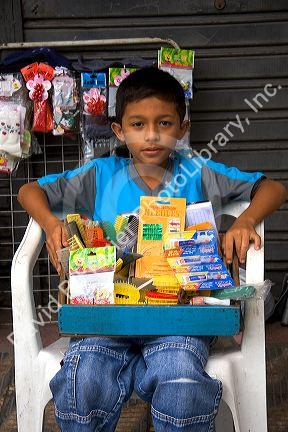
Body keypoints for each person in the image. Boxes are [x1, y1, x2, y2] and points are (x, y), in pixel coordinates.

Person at [18, 67, 286, 432]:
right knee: (83, 384)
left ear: (182, 128)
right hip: (106, 322)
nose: (152, 136)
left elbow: (272, 189)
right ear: (119, 130)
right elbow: (29, 190)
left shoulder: (199, 173)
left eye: (164, 123)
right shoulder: (100, 175)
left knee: (182, 385)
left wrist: (243, 221)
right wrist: (52, 225)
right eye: (138, 124)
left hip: (181, 323)